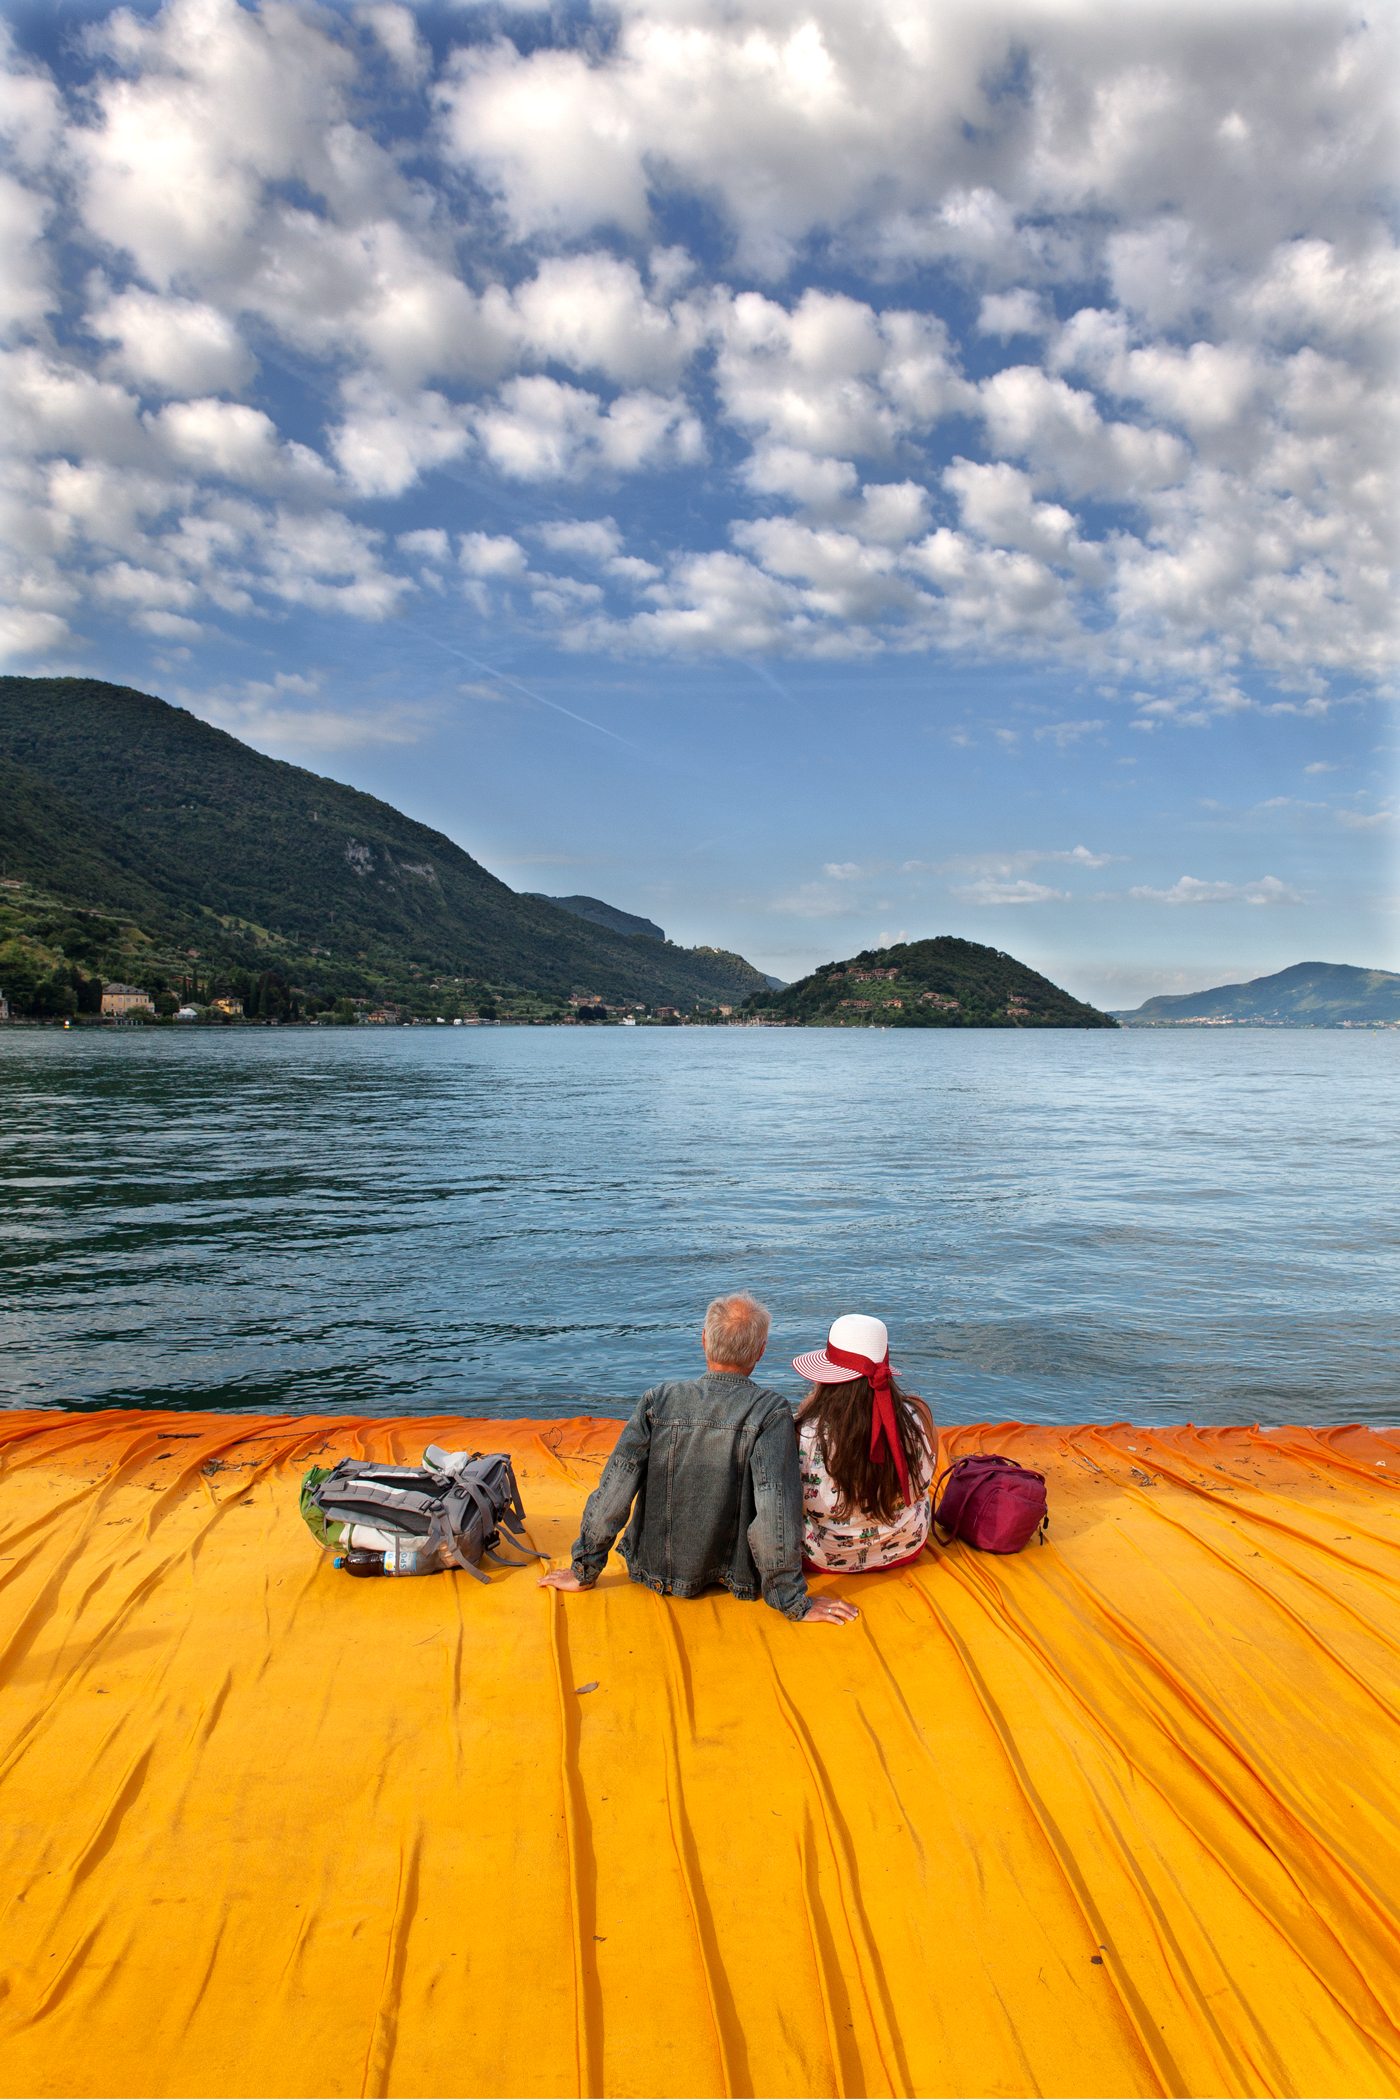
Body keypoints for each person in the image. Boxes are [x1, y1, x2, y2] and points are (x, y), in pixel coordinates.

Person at [539, 1293, 858, 1625]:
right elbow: (775, 1509)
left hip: (653, 1569)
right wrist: (791, 1600)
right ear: (761, 1351)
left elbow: (614, 1492)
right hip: (736, 1576)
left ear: (704, 1340)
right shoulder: (769, 1410)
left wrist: (583, 1570)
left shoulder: (657, 1400)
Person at [792, 1314, 936, 1574]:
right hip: (905, 1548)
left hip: (825, 1559)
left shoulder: (805, 1432)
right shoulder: (915, 1417)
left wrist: (807, 1410)